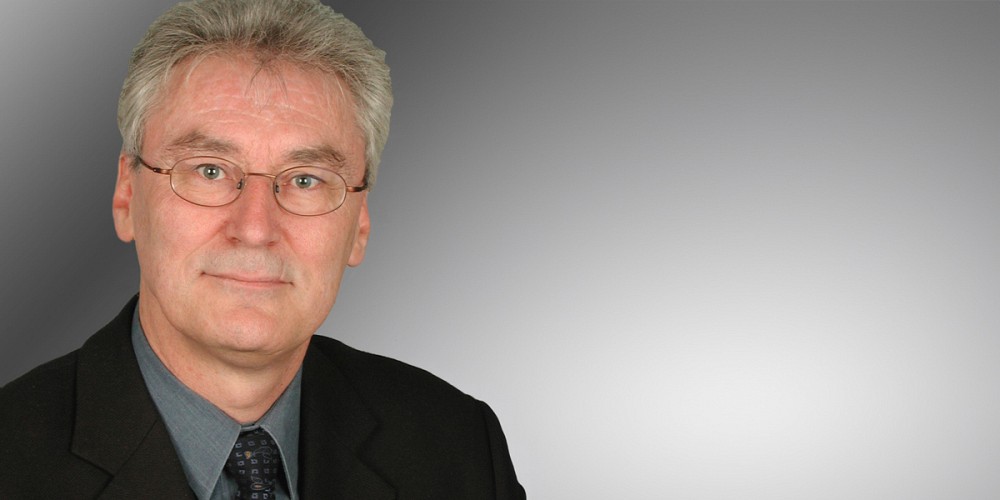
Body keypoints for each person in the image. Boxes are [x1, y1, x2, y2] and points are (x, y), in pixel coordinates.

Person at [0, 1, 525, 498]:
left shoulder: (456, 447)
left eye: (305, 180)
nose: (254, 228)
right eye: (209, 170)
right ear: (126, 196)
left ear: (359, 224)